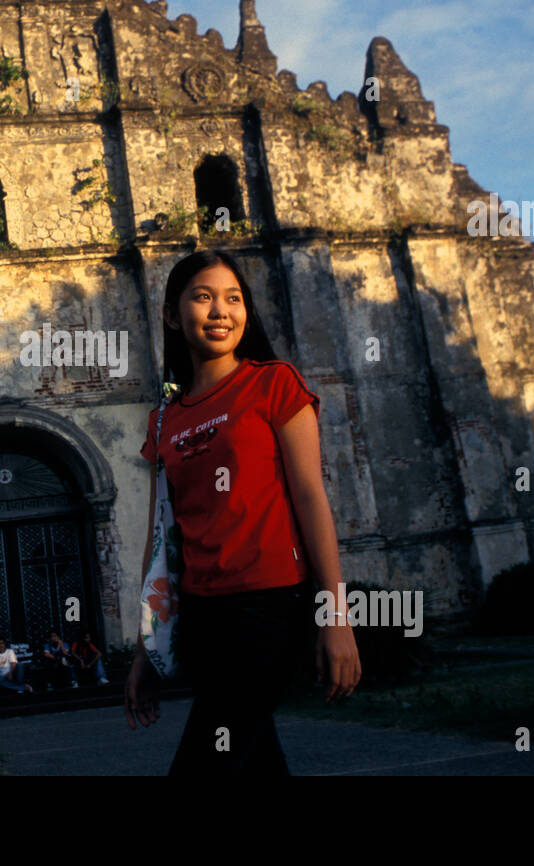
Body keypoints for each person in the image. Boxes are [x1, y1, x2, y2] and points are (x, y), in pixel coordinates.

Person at [124, 249, 363, 776]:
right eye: (203, 297)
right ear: (171, 313)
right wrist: (147, 647)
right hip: (204, 619)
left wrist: (335, 616)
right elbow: (159, 541)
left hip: (270, 606)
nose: (220, 311)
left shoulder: (274, 384)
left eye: (233, 299)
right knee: (254, 765)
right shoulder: (163, 420)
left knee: (204, 765)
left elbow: (310, 496)